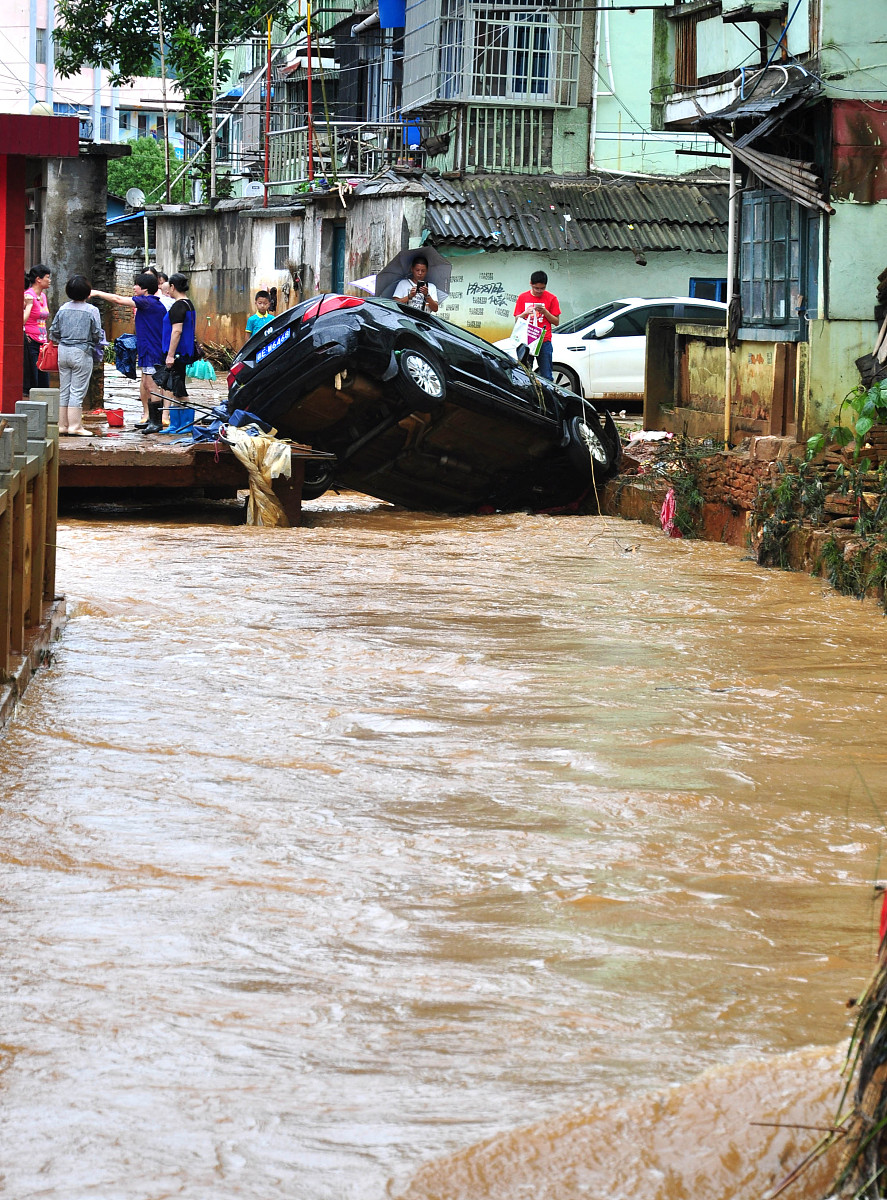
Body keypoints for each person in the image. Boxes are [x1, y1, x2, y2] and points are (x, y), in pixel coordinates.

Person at [90, 272, 167, 429]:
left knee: (152, 386)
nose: (133, 287)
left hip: (153, 350)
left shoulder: (148, 302)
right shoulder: (149, 302)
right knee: (146, 384)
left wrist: (97, 293)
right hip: (146, 349)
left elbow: (118, 299)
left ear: (145, 289)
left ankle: (156, 422)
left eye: (137, 285)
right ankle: (151, 420)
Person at [48, 275, 102, 436]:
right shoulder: (92, 310)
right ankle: (75, 426)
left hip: (63, 351)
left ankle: (62, 425)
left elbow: (53, 332)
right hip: (81, 352)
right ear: (87, 292)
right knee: (77, 391)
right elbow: (97, 334)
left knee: (64, 389)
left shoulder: (63, 308)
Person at [145, 272, 196, 434]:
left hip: (178, 353)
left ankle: (185, 424)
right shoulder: (188, 304)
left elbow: (177, 332)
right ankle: (176, 424)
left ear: (173, 287)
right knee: (176, 388)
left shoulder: (178, 306)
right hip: (185, 351)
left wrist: (170, 355)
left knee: (179, 389)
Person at [513, 270, 561, 380]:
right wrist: (525, 313)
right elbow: (517, 320)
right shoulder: (522, 297)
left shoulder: (552, 298)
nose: (539, 291)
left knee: (547, 376)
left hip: (544, 340)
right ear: (531, 283)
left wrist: (545, 312)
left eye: (542, 288)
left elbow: (556, 322)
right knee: (524, 373)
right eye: (536, 288)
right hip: (526, 340)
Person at [23, 263, 52, 395]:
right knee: (33, 378)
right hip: (31, 340)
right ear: (38, 279)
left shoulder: (44, 296)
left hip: (43, 343)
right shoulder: (27, 296)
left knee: (44, 378)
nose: (49, 280)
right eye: (47, 277)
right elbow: (21, 320)